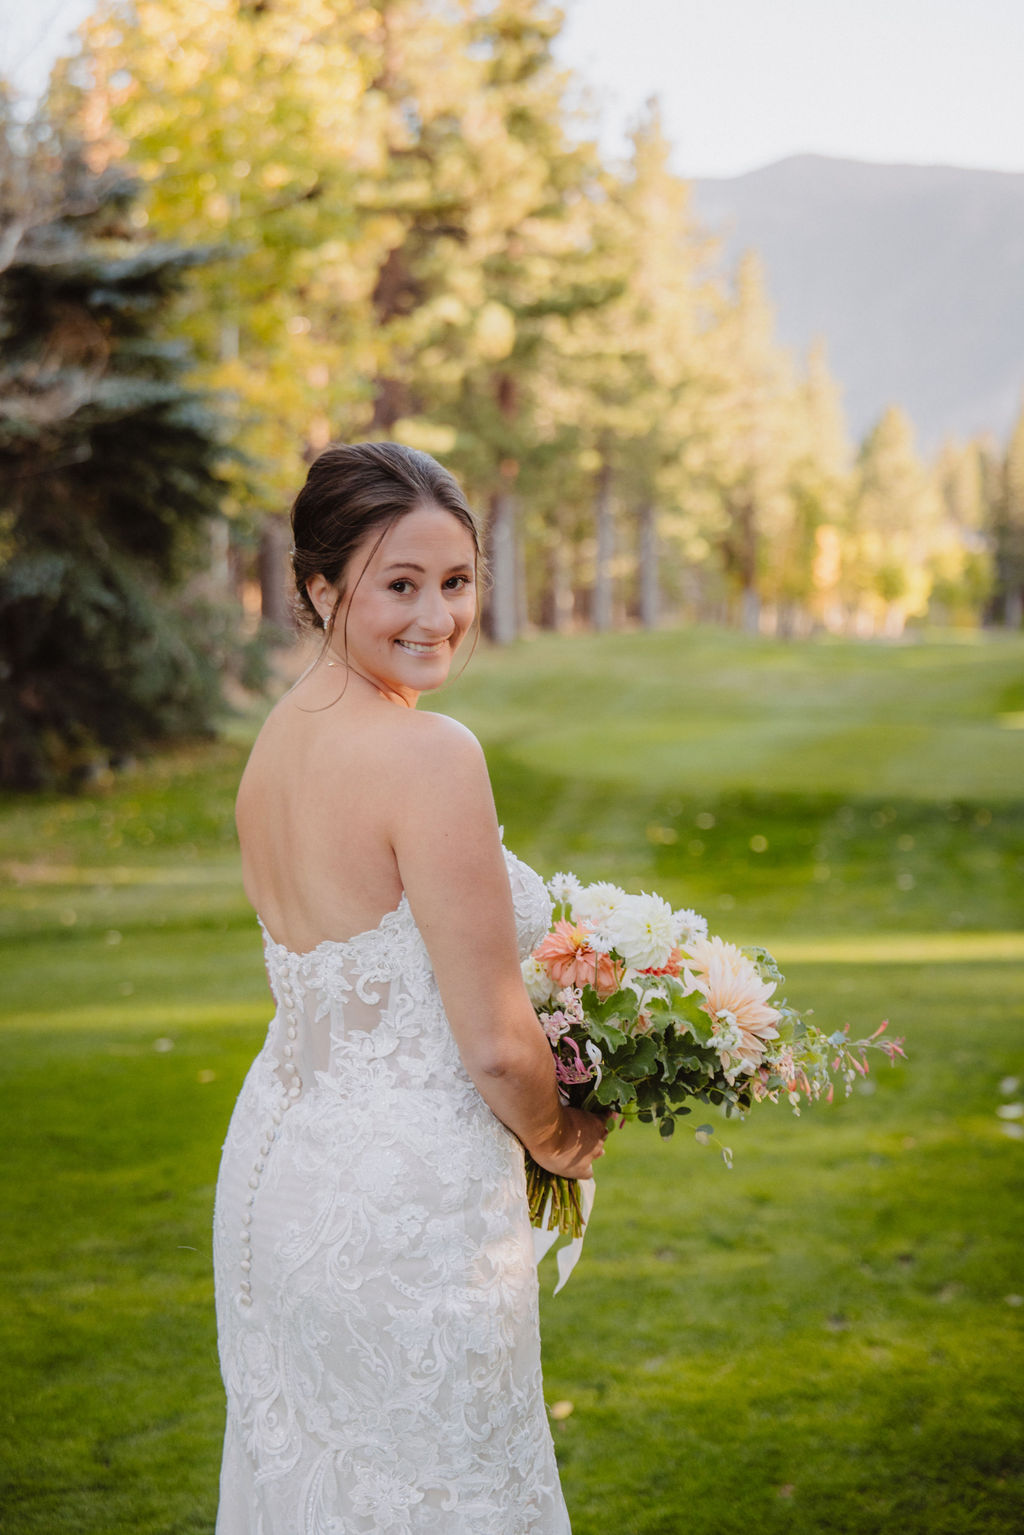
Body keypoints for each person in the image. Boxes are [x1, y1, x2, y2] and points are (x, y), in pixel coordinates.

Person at [212, 441, 609, 1534]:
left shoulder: (276, 742)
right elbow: (490, 1037)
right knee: (448, 1492)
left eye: (455, 581)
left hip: (275, 1176)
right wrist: (563, 1137)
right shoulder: (430, 753)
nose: (436, 615)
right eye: (400, 583)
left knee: (315, 1483)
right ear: (321, 585)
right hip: (404, 1199)